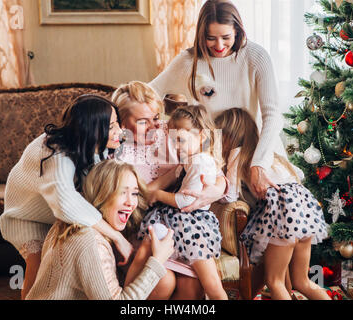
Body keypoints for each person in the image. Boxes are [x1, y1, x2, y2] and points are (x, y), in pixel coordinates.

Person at [0, 94, 133, 299]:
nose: (119, 132)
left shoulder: (95, 145)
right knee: (38, 270)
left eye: (117, 124)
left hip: (55, 213)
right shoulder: (55, 152)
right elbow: (65, 203)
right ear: (92, 129)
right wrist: (118, 238)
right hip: (26, 216)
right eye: (112, 126)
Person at [149, 0, 285, 201]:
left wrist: (259, 163)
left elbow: (273, 115)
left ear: (238, 32)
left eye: (226, 37)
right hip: (212, 159)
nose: (219, 45)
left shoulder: (256, 57)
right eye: (210, 38)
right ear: (200, 34)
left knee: (279, 202)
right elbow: (150, 92)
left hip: (254, 150)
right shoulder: (188, 62)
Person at [112, 81, 228, 299]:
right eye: (142, 122)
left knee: (191, 288)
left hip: (183, 225)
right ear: (122, 123)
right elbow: (133, 199)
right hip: (144, 229)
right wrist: (168, 179)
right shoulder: (117, 152)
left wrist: (214, 190)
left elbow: (211, 167)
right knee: (163, 282)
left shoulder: (172, 130)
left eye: (156, 118)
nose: (154, 126)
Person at [215, 108, 330, 300]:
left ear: (228, 135)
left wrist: (216, 189)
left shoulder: (237, 153)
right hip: (304, 211)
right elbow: (298, 175)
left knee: (274, 281)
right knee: (302, 281)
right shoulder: (271, 154)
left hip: (283, 213)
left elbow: (230, 195)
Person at [26, 160, 174, 300]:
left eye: (134, 193)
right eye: (122, 192)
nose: (131, 202)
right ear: (102, 194)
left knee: (164, 278)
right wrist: (157, 261)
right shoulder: (90, 241)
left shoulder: (68, 223)